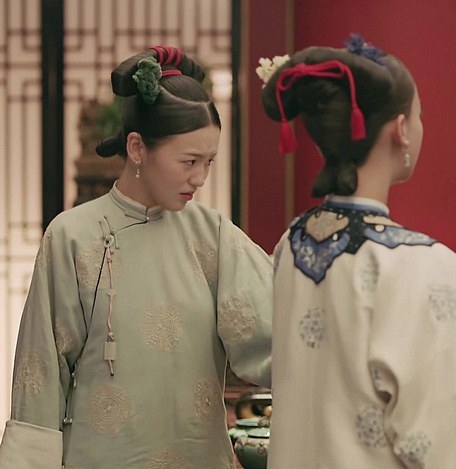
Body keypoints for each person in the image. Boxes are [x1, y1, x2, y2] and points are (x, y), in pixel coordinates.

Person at [0, 46, 273, 468]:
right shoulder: (72, 236)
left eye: (209, 162)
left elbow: (274, 333)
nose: (200, 178)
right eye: (189, 161)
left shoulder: (214, 236)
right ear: (137, 147)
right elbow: (41, 373)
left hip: (196, 456)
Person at [260, 35, 456, 468]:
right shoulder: (419, 263)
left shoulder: (292, 244)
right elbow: (452, 438)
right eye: (419, 115)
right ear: (401, 129)